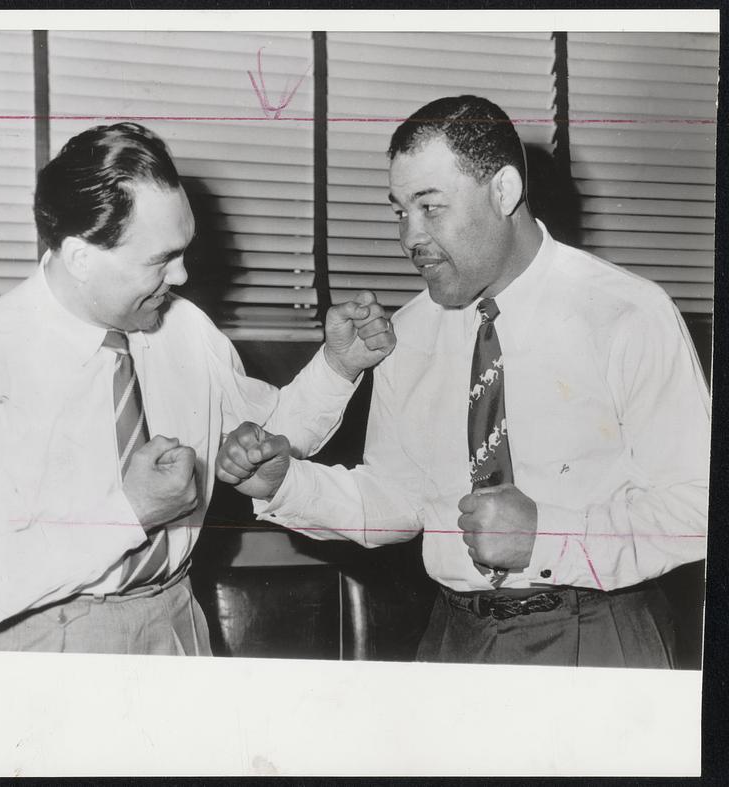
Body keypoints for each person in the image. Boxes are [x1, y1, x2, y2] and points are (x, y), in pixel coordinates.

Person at [216, 95, 710, 668]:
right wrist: (288, 484)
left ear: (503, 192)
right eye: (400, 211)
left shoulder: (628, 313)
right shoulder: (410, 330)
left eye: (431, 207)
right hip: (454, 640)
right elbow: (402, 501)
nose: (409, 238)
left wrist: (547, 540)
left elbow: (699, 508)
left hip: (597, 635)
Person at [0, 122, 395, 655]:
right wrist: (132, 512)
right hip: (47, 639)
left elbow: (264, 444)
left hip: (175, 619)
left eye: (184, 250)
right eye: (161, 259)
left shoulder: (183, 327)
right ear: (81, 257)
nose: (184, 276)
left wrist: (338, 365)